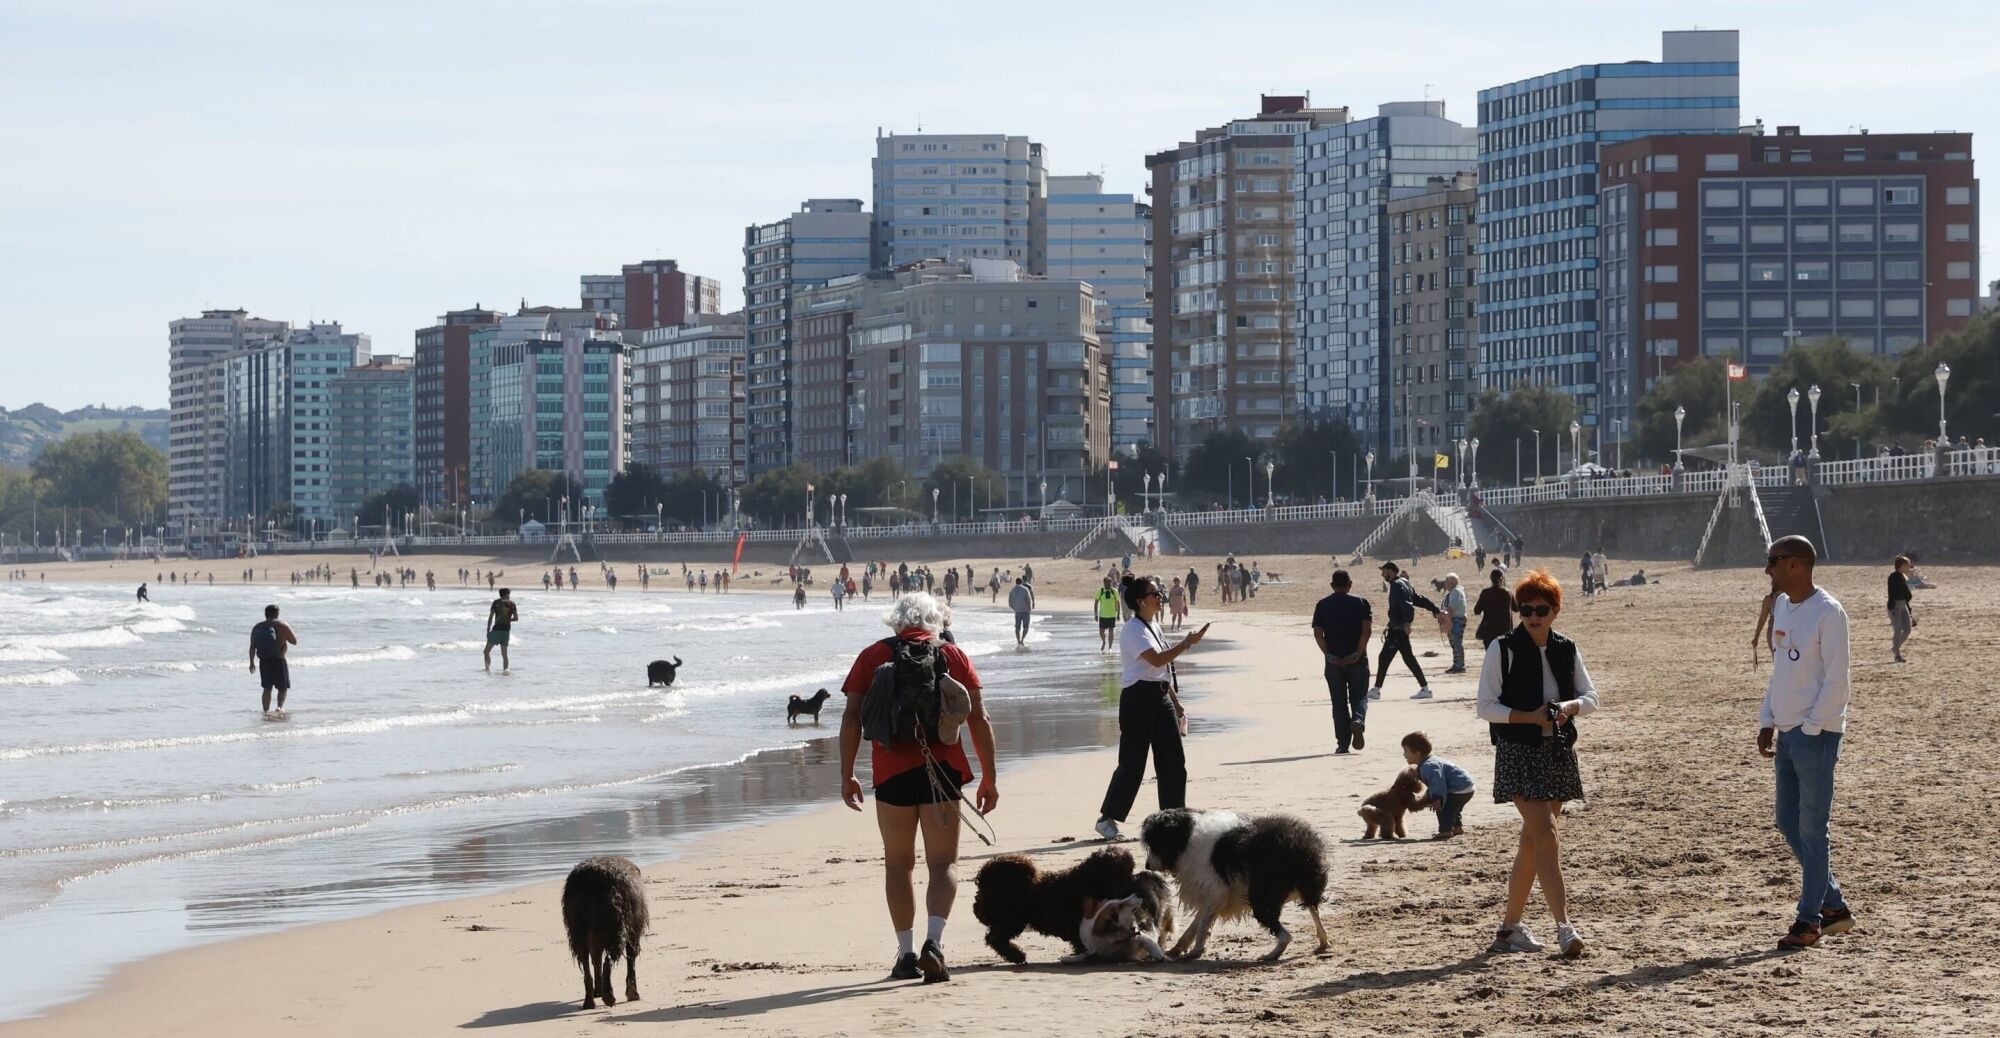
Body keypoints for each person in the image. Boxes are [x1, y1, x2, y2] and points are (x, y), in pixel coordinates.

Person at [838, 593, 998, 984]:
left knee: (898, 864)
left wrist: (847, 774)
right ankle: (936, 943)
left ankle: (906, 953)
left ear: (895, 621)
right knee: (943, 864)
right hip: (942, 771)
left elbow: (852, 718)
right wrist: (990, 778)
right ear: (936, 620)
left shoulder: (873, 656)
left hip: (891, 771)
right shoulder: (953, 655)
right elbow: (979, 718)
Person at [1476, 569, 1598, 958]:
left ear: (1555, 610)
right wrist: (1531, 717)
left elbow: (1591, 696)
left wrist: (1568, 707)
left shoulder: (1566, 647)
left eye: (1541, 608)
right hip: (1517, 753)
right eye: (1525, 608)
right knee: (1545, 833)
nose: (1532, 615)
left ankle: (1508, 930)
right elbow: (1486, 707)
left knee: (1532, 844)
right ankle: (1565, 927)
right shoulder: (1503, 647)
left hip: (1557, 752)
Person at [1758, 536, 1855, 949]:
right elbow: (1782, 670)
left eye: (1773, 562)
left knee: (1814, 832)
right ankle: (1833, 904)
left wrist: (1813, 728)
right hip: (1787, 732)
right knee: (1787, 821)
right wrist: (1768, 720)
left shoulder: (1829, 613)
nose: (1768, 570)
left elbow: (1838, 681)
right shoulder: (1782, 605)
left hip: (1816, 735)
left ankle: (1809, 921)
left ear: (1795, 565)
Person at [1094, 575, 1207, 840]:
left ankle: (1173, 820)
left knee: (1173, 762)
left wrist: (1177, 704)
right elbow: (1157, 660)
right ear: (1140, 600)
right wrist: (1186, 643)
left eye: (1159, 593)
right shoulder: (1133, 629)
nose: (1160, 597)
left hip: (1160, 697)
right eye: (1155, 594)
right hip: (1138, 699)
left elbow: (1163, 671)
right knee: (1132, 764)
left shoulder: (1152, 624)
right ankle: (1107, 819)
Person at [1311, 570, 1372, 754]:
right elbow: (1366, 631)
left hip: (1334, 662)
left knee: (1338, 703)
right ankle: (1358, 720)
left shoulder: (1322, 605)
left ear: (1332, 585)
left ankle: (1343, 744)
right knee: (1359, 696)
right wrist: (1358, 653)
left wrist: (1329, 655)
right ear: (1350, 584)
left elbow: (1318, 634)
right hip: (1357, 660)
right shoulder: (1361, 603)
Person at [1371, 561, 1442, 701]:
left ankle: (1376, 690)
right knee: (1409, 659)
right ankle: (1425, 689)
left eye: (1383, 571)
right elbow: (1417, 599)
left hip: (1397, 629)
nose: (1382, 574)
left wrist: (1407, 623)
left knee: (1384, 658)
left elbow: (1408, 605)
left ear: (1390, 571)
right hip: (1398, 628)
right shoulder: (1404, 582)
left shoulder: (1397, 585)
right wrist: (1434, 609)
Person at [1403, 731, 1475, 839]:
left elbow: (1438, 781)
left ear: (1417, 753)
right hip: (1466, 786)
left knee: (1444, 808)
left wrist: (1437, 798)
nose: (1404, 755)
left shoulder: (1427, 766)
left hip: (1459, 788)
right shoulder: (1430, 761)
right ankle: (1457, 827)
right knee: (1453, 808)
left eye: (1406, 751)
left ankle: (1445, 831)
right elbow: (1434, 784)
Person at [248, 604, 298, 714]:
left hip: (264, 661)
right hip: (279, 659)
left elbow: (252, 646)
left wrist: (251, 662)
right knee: (282, 687)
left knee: (267, 688)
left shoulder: (257, 627)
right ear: (277, 614)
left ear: (265, 614)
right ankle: (279, 707)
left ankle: (266, 710)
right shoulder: (283, 625)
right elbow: (294, 641)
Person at [1473, 568, 1514, 649]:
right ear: (1502, 578)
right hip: (1505, 632)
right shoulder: (1508, 593)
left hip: (1489, 632)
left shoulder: (1485, 593)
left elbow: (1476, 611)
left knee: (1491, 657)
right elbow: (1516, 608)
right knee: (1504, 657)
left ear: (1491, 579)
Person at [1888, 555, 1915, 663]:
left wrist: (1910, 611)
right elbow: (1893, 593)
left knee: (1907, 629)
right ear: (1902, 566)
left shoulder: (1903, 577)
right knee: (1898, 630)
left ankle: (1895, 647)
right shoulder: (1894, 577)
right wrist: (1893, 608)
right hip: (1895, 605)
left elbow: (1906, 596)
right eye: (1907, 565)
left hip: (1903, 605)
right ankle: (1897, 654)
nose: (1909, 567)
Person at [1441, 573, 1468, 674]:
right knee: (1454, 643)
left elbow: (1451, 608)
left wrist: (1445, 620)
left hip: (1455, 620)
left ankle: (1460, 665)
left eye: (1446, 581)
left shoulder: (1456, 591)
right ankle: (1456, 664)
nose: (1445, 583)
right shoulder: (1454, 591)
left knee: (1456, 642)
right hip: (1454, 619)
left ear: (1451, 582)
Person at [484, 589, 517, 672]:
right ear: (506, 594)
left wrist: (488, 630)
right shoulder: (512, 604)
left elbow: (491, 617)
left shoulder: (496, 603)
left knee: (486, 651)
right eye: (509, 594)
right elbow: (516, 618)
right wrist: (508, 619)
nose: (509, 596)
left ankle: (487, 669)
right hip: (506, 631)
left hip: (496, 630)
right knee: (504, 655)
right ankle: (506, 670)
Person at [1094, 575, 1122, 651]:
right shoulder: (1101, 591)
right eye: (1107, 583)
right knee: (1101, 632)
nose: (1108, 584)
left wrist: (1118, 614)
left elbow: (1118, 603)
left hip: (1112, 615)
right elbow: (1096, 602)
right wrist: (1096, 614)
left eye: (1109, 582)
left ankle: (1110, 647)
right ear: (1104, 583)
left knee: (1111, 630)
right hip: (1102, 615)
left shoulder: (1114, 591)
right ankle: (1103, 641)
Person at [1752, 589, 1779, 664]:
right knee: (1777, 659)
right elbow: (1762, 619)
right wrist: (1756, 636)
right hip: (1773, 633)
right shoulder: (1769, 600)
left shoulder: (1791, 598)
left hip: (1789, 632)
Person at [1008, 575, 1035, 647]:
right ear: (1021, 582)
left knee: (1017, 627)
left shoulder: (1012, 590)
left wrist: (1015, 608)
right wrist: (1029, 607)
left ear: (1016, 582)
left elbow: (1010, 603)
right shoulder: (1025, 589)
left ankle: (1018, 640)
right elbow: (1028, 599)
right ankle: (1022, 639)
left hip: (1017, 611)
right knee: (1026, 627)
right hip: (1025, 611)